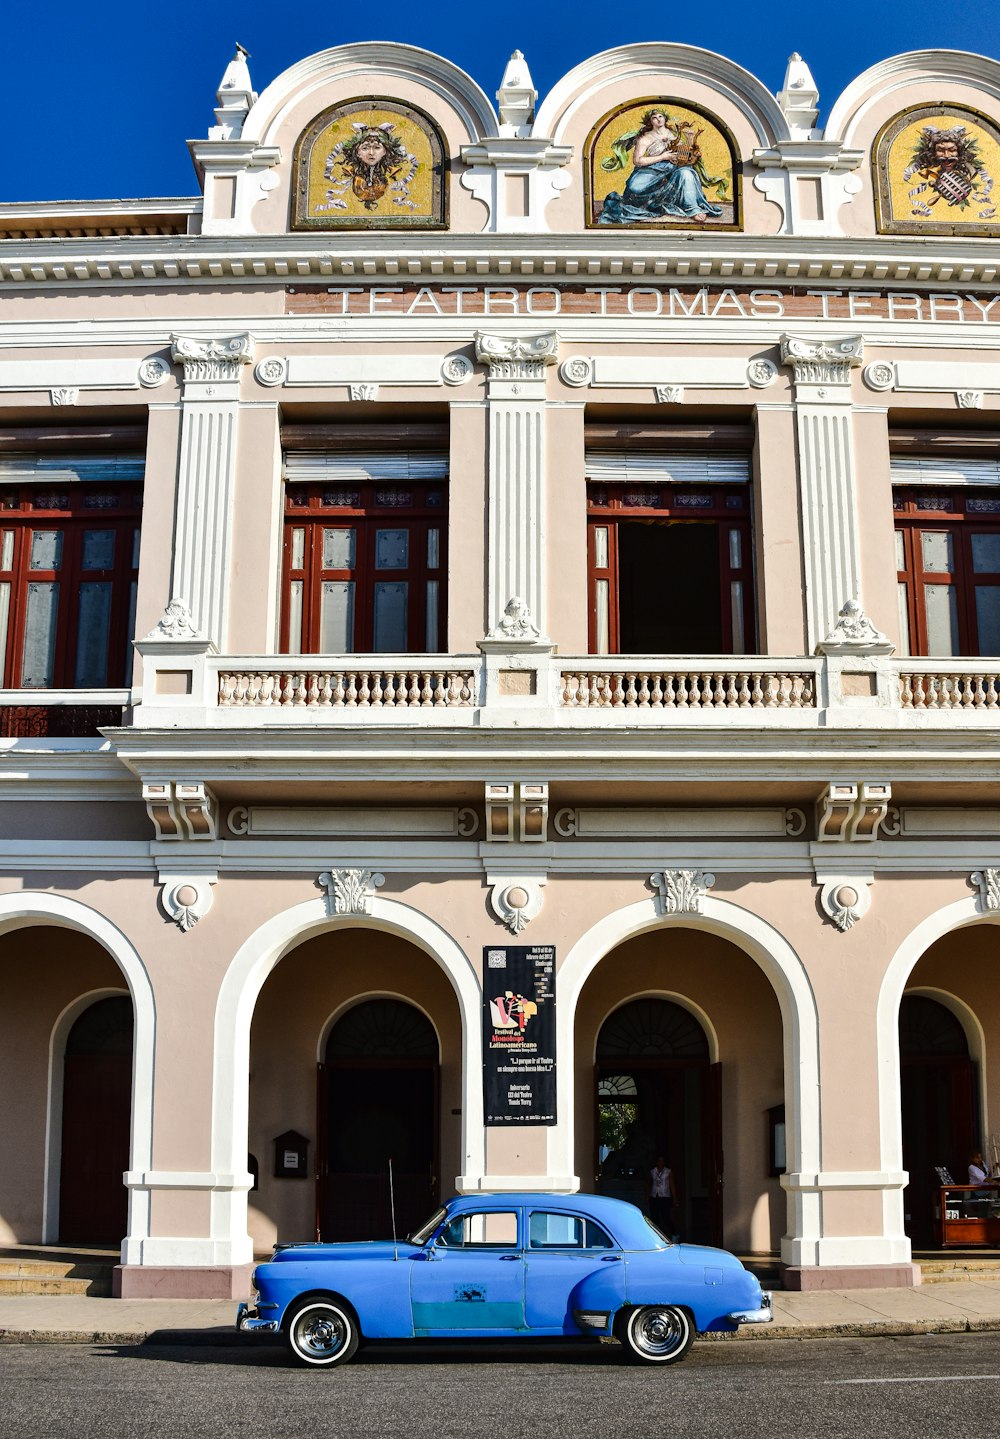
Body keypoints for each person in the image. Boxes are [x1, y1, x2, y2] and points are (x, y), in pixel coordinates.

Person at [599, 109, 724, 226]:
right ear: (650, 121)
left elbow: (685, 155)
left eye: (660, 116)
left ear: (665, 118)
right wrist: (663, 157)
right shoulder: (645, 138)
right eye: (654, 118)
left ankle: (693, 208)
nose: (658, 120)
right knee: (635, 187)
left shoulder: (676, 134)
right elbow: (637, 160)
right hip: (652, 170)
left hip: (674, 169)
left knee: (687, 173)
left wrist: (691, 142)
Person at [649, 1155, 678, 1238]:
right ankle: (655, 1236)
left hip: (665, 1196)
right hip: (654, 1196)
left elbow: (672, 1184)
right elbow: (649, 1184)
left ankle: (674, 1234)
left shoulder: (668, 1171)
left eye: (662, 1161)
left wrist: (674, 1197)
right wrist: (647, 1196)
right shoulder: (652, 1171)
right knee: (655, 1218)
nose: (660, 1162)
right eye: (659, 1160)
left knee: (666, 1217)